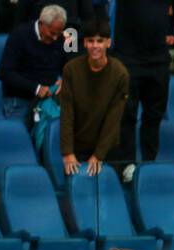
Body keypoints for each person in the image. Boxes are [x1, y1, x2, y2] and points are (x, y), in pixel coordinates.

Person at [107, 0, 174, 178]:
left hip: (158, 59)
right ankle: (126, 164)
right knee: (126, 114)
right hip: (128, 57)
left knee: (154, 116)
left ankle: (149, 162)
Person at [60, 20, 129, 177]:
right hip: (77, 148)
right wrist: (67, 152)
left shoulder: (120, 73)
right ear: (84, 43)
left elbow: (114, 119)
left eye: (100, 41)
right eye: (91, 41)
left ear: (108, 43)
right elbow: (67, 114)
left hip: (108, 149)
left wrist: (99, 154)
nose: (95, 45)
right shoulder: (71, 69)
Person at [0, 5, 69, 120]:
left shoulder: (62, 37)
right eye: (52, 33)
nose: (55, 38)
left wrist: (65, 78)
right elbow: (4, 72)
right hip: (19, 101)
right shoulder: (19, 35)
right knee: (19, 137)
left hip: (49, 102)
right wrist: (36, 88)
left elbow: (68, 64)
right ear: (41, 24)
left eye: (58, 34)